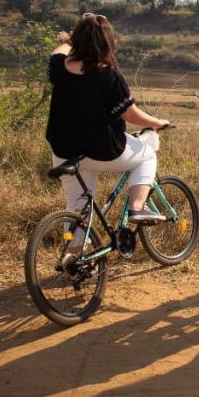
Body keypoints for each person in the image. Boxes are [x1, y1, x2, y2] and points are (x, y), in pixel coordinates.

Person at [46, 14, 169, 255]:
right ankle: (137, 207)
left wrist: (71, 40)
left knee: (78, 206)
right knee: (147, 155)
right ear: (107, 42)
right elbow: (131, 115)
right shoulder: (109, 76)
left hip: (65, 152)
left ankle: (74, 258)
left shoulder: (59, 67)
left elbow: (57, 51)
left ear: (77, 40)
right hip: (102, 152)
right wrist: (157, 123)